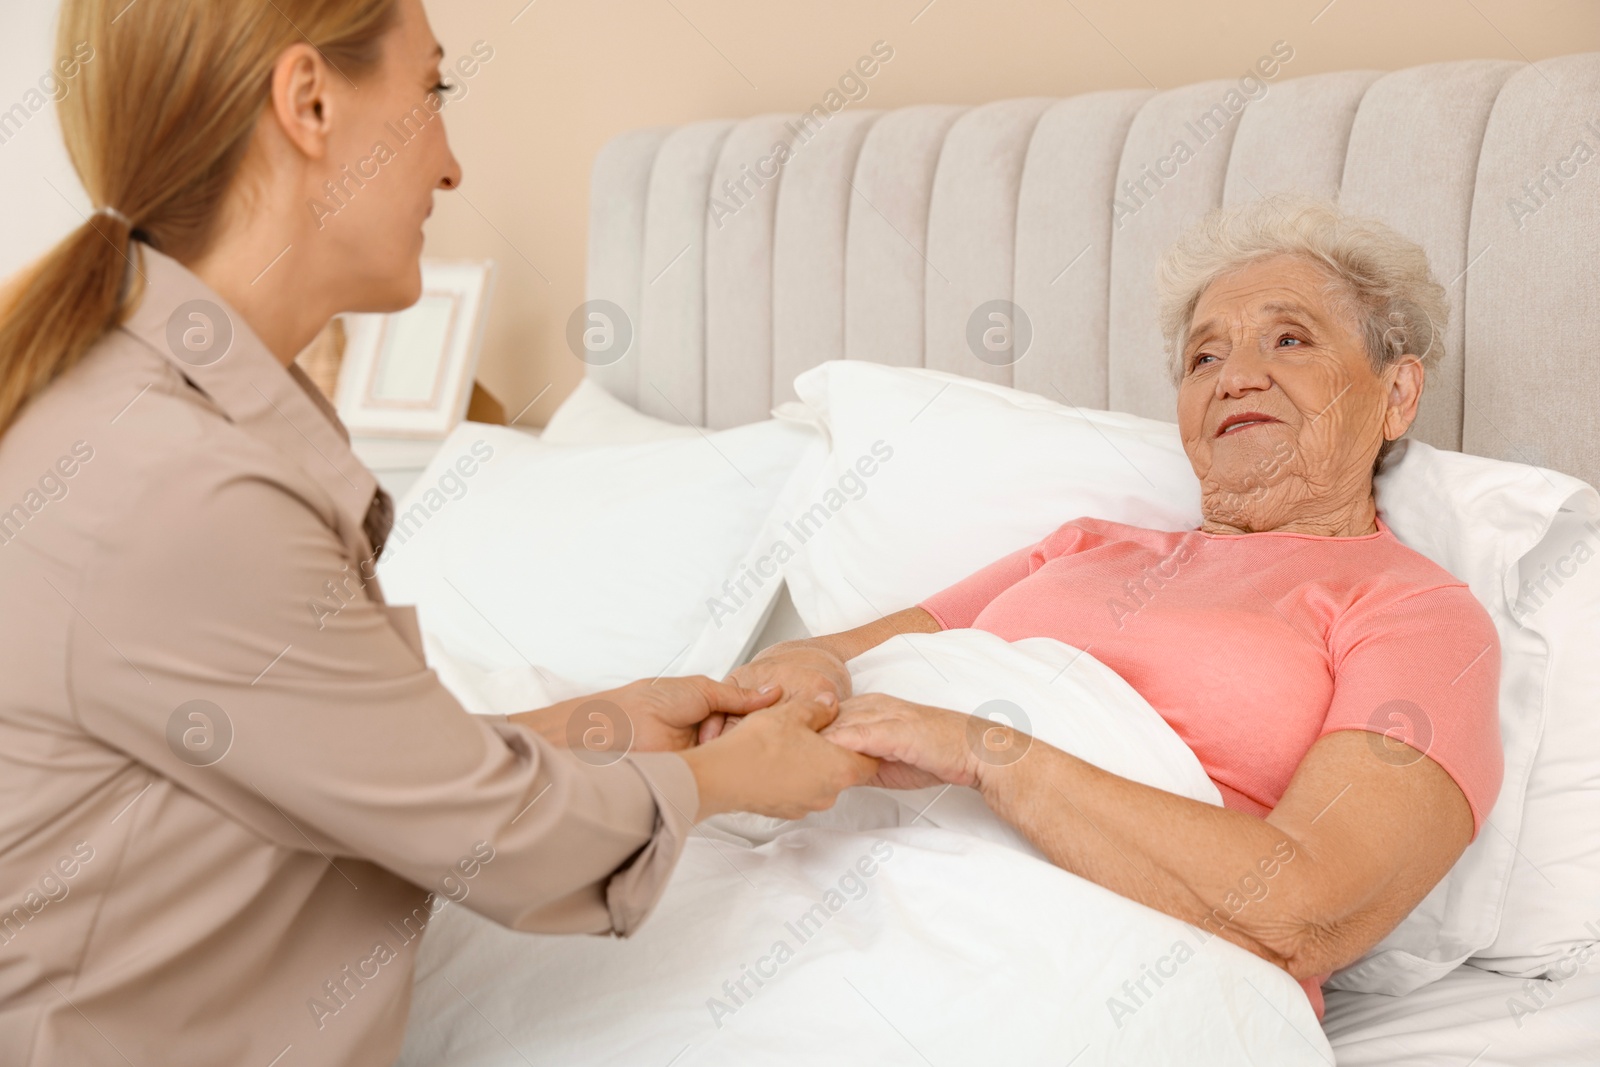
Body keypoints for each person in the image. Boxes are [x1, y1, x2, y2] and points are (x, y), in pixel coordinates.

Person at [0, 1, 876, 1063]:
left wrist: (600, 722)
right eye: (433, 95)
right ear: (309, 102)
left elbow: (337, 767)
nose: (452, 166)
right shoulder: (185, 488)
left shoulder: (132, 406)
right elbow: (485, 834)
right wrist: (731, 780)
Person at [726, 197, 1504, 1021]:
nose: (1234, 374)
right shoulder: (1084, 549)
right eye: (1204, 356)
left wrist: (989, 756)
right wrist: (794, 681)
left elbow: (1306, 904)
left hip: (1105, 969)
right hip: (844, 881)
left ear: (1397, 392)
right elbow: (827, 658)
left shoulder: (1417, 614)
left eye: (1290, 338)